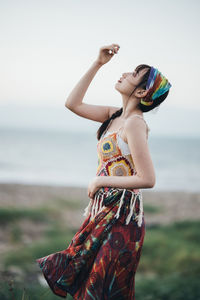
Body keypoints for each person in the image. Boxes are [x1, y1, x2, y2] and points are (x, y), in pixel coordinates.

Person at [36, 43, 172, 299]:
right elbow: (72, 103)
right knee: (87, 281)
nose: (124, 74)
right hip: (103, 212)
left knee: (102, 288)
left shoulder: (134, 124)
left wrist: (100, 179)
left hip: (122, 217)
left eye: (133, 74)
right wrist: (98, 63)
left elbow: (148, 178)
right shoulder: (115, 115)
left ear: (142, 90)